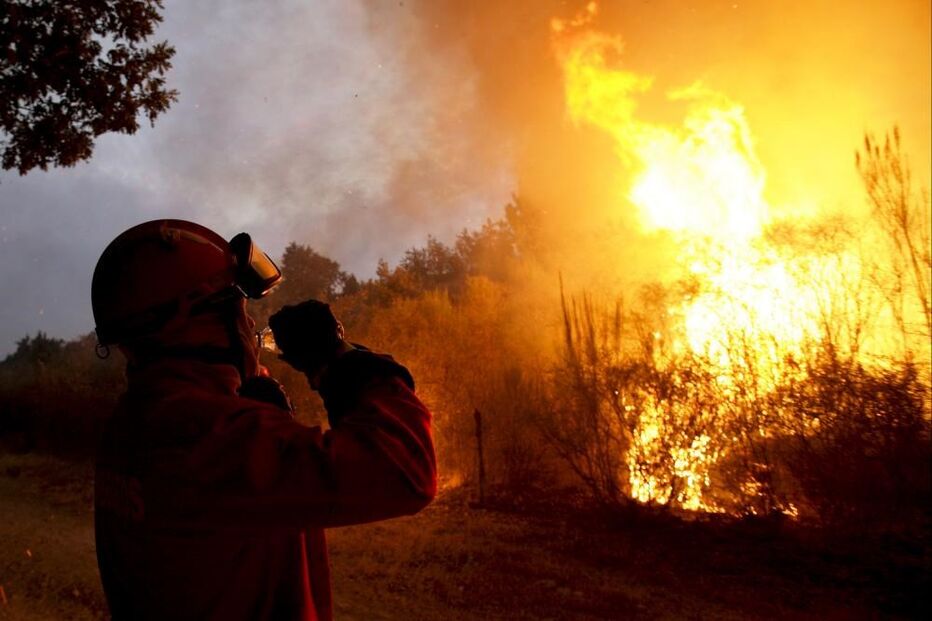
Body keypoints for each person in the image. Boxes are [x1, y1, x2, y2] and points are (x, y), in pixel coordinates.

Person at [91, 219, 436, 620]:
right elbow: (403, 472)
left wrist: (259, 408)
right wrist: (341, 365)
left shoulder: (135, 421)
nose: (251, 323)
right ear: (193, 320)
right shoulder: (205, 432)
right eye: (237, 305)